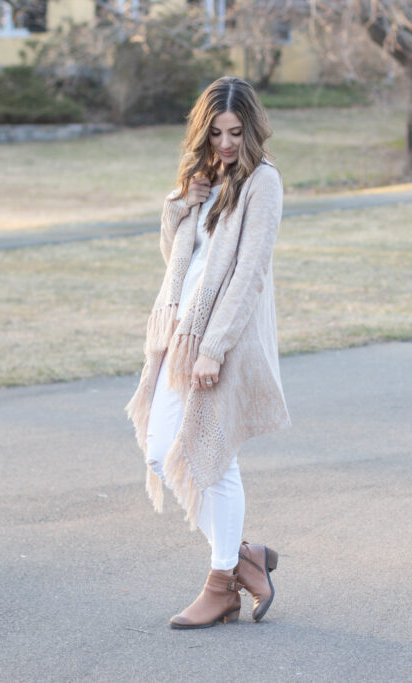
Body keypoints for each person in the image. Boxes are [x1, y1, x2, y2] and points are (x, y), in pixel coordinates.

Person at [125, 76, 290, 630]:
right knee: (161, 452)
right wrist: (178, 205)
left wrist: (214, 348)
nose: (225, 143)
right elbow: (179, 261)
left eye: (235, 132)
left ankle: (222, 584)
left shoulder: (263, 183)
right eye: (216, 132)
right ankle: (244, 555)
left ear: (252, 129)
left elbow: (249, 273)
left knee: (210, 455)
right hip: (178, 332)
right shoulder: (208, 180)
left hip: (220, 340)